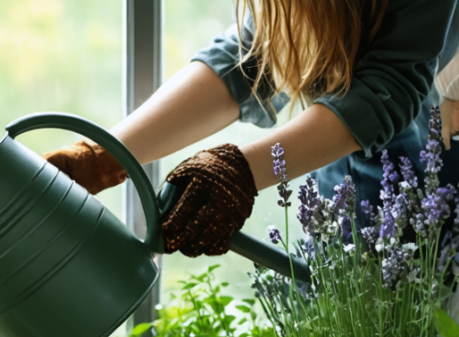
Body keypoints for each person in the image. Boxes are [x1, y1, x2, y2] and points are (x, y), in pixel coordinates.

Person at [47, 0, 459, 257]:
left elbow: (387, 86)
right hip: (346, 187)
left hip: (433, 193)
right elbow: (259, 53)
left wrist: (240, 172)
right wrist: (100, 157)